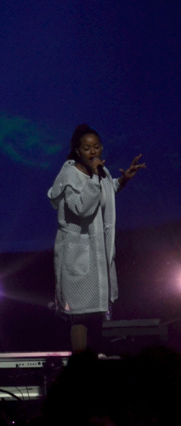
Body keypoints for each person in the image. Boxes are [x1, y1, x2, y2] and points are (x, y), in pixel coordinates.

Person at [48, 124, 145, 352]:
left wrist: (122, 181)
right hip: (76, 254)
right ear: (77, 151)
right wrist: (94, 176)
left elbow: (102, 194)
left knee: (97, 312)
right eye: (87, 148)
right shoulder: (70, 175)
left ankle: (94, 364)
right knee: (79, 315)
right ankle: (81, 367)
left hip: (96, 253)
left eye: (97, 146)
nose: (93, 151)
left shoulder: (101, 172)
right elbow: (81, 207)